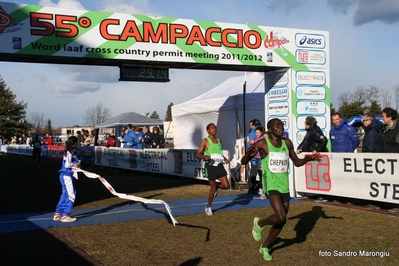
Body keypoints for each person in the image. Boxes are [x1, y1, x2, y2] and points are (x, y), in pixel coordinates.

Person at [241, 118, 321, 261]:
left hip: (284, 185)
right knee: (281, 216)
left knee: (281, 221)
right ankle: (259, 223)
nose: (280, 127)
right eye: (277, 125)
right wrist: (248, 153)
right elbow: (243, 161)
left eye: (282, 125)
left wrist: (309, 158)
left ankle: (265, 246)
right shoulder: (262, 144)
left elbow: (296, 162)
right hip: (271, 185)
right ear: (270, 129)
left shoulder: (287, 143)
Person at [196, 123, 230, 216]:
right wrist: (204, 156)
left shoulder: (219, 140)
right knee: (212, 187)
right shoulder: (205, 141)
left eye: (215, 128)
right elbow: (197, 154)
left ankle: (217, 188)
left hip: (219, 164)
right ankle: (208, 207)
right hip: (210, 166)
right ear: (208, 130)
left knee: (227, 186)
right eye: (212, 128)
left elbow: (219, 153)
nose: (214, 129)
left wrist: (225, 159)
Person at [296, 116, 328, 202]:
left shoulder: (315, 131)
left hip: (316, 159)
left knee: (317, 176)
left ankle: (319, 195)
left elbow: (324, 140)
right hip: (311, 159)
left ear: (309, 124)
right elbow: (305, 142)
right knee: (312, 175)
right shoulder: (310, 132)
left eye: (305, 123)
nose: (304, 124)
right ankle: (312, 193)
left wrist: (317, 150)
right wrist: (300, 148)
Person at [53, 136, 81, 222]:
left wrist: (77, 163)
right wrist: (76, 165)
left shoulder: (71, 152)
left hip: (66, 175)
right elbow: (67, 165)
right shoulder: (68, 152)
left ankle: (58, 213)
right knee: (71, 194)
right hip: (66, 175)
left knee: (65, 194)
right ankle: (65, 215)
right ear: (75, 143)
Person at [247, 119, 262, 192]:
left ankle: (251, 187)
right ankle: (260, 187)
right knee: (259, 172)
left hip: (256, 156)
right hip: (258, 156)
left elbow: (251, 143)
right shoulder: (261, 132)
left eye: (251, 125)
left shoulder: (252, 132)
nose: (250, 127)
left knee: (254, 171)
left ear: (254, 125)